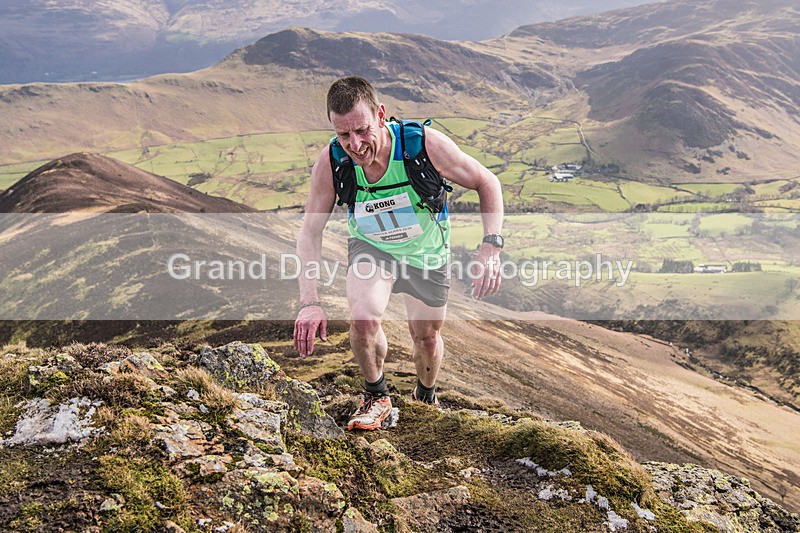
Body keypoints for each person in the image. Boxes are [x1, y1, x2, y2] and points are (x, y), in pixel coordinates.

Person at [293, 76, 504, 430]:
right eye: (344, 135)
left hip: (426, 253)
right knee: (362, 320)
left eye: (362, 130)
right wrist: (309, 301)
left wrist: (490, 248)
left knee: (426, 337)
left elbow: (487, 182)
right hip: (372, 248)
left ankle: (425, 394)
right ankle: (376, 395)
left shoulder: (423, 145)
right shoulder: (331, 163)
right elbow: (310, 232)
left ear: (381, 115)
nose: (355, 145)